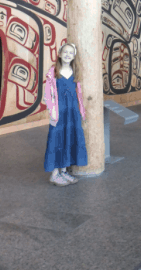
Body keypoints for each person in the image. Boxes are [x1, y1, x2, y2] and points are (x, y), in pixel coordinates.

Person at [44, 43, 88, 186]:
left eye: (71, 53)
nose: (68, 55)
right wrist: (52, 111)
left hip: (72, 112)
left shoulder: (75, 72)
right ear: (60, 53)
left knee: (68, 140)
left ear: (74, 56)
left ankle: (63, 171)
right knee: (57, 140)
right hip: (59, 113)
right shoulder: (53, 72)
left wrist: (82, 111)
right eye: (65, 52)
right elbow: (48, 95)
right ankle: (55, 174)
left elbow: (79, 94)